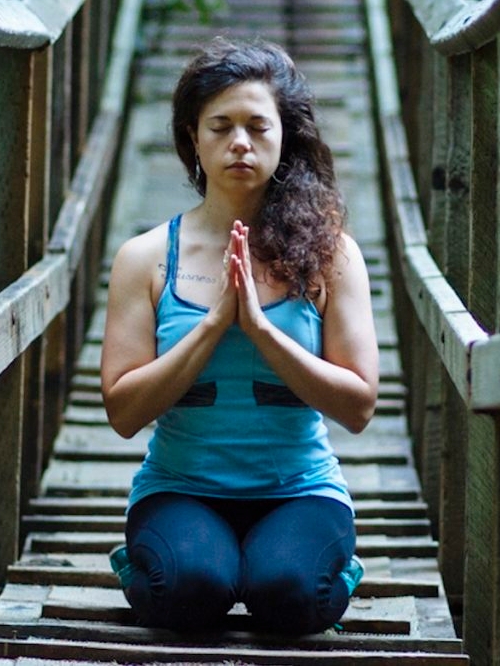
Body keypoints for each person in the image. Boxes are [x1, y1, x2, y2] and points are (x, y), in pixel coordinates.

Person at [100, 37, 379, 635]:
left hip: (300, 488)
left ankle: (316, 564)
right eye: (220, 126)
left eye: (258, 125)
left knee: (290, 596)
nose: (240, 143)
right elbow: (123, 412)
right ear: (192, 139)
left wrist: (260, 329)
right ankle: (161, 563)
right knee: (188, 591)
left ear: (286, 137)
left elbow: (359, 405)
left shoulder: (331, 256)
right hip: (181, 487)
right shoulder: (145, 257)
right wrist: (212, 324)